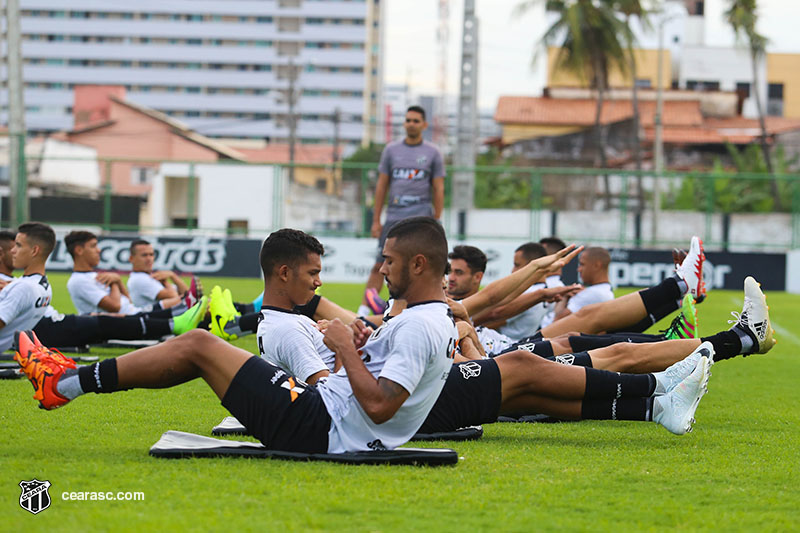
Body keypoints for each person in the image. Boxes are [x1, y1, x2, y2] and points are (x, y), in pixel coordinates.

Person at [16, 218, 458, 455]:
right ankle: (68, 380)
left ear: (418, 264)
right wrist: (353, 352)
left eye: (388, 261)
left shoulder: (420, 324)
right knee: (202, 348)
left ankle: (64, 384)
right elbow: (372, 393)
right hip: (327, 419)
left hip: (323, 426)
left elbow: (381, 407)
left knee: (200, 345)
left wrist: (345, 347)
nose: (381, 269)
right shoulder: (425, 317)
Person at [359, 105, 445, 317]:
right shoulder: (391, 150)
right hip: (394, 218)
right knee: (381, 263)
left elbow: (438, 187)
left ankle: (431, 308)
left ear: (424, 125)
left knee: (425, 267)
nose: (411, 124)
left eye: (416, 121)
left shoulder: (433, 153)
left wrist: (436, 219)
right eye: (408, 120)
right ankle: (361, 312)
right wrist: (376, 220)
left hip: (421, 218)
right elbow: (381, 185)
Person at [0, 223, 55, 352]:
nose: (13, 250)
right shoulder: (43, 286)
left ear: (34, 250)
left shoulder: (23, 288)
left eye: (18, 245)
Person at [127, 239, 198, 312]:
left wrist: (172, 275)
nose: (149, 259)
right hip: (155, 321)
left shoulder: (150, 276)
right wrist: (166, 282)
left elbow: (187, 293)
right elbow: (176, 299)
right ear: (131, 259)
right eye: (144, 255)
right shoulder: (139, 279)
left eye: (151, 254)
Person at [549, 246, 614, 323]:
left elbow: (557, 321)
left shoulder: (593, 294)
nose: (578, 269)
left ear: (597, 265)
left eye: (582, 264)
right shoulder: (603, 291)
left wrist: (564, 298)